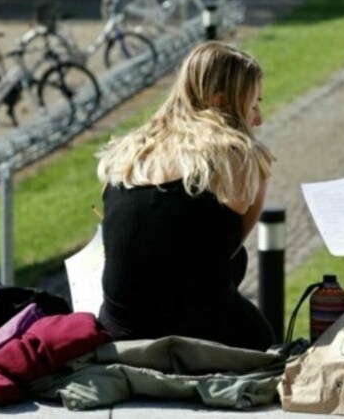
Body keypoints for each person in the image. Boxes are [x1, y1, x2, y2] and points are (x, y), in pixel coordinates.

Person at [95, 41, 275, 351]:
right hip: (198, 328)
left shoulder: (128, 150)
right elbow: (229, 248)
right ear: (221, 103)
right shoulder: (239, 155)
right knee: (260, 332)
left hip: (118, 331)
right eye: (253, 106)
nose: (258, 119)